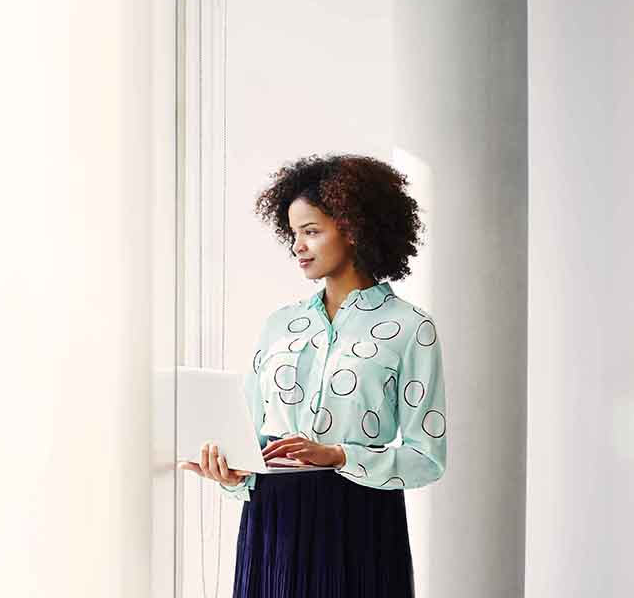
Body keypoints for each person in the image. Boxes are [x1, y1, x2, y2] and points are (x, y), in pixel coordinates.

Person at [177, 153, 447, 598]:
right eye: (294, 233)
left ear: (354, 228)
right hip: (273, 519)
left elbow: (427, 458)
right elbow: (250, 434)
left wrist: (339, 455)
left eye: (311, 231)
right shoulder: (280, 324)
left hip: (357, 520)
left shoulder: (410, 327)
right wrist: (232, 474)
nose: (298, 246)